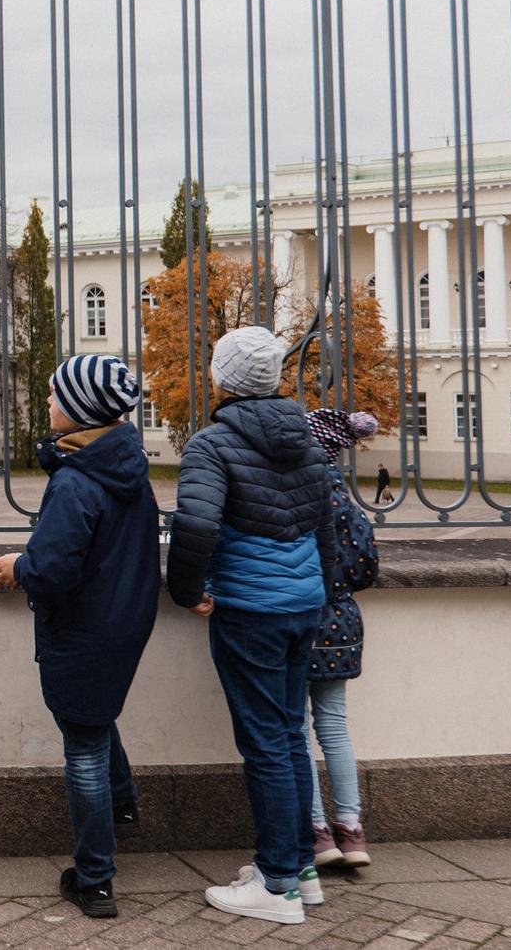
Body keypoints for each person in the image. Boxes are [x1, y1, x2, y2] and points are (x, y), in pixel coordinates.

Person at [166, 326, 338, 926]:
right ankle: (299, 870)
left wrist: (186, 590)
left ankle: (278, 885)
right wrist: (320, 592)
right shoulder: (309, 438)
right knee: (291, 734)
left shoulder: (212, 444)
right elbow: (327, 524)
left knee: (266, 742)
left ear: (222, 379)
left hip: (251, 610)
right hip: (303, 604)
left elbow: (196, 526)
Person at [0, 355, 160, 920]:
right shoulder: (128, 470)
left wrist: (19, 565)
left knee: (82, 744)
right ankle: (124, 804)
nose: (49, 403)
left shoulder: (77, 482)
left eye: (57, 396)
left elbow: (55, 568)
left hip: (83, 628)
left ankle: (95, 879)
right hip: (124, 621)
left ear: (82, 413)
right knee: (95, 714)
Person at [302, 408, 381, 870]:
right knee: (333, 724)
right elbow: (366, 569)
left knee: (295, 727)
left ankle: (316, 832)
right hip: (343, 623)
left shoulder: (299, 497)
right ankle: (351, 829)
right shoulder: (350, 507)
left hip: (303, 619)